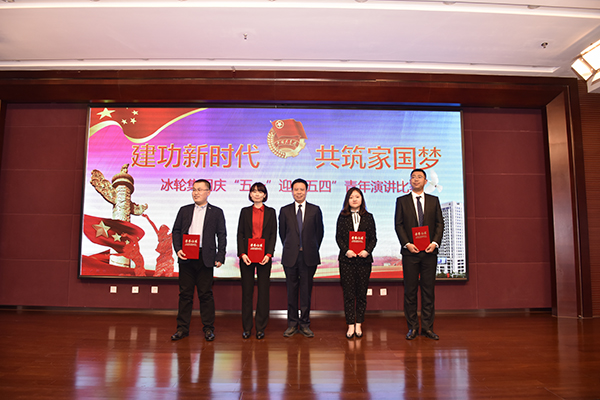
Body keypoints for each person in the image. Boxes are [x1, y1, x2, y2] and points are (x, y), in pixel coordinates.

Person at [170, 179, 227, 342]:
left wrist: (220, 256)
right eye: (194, 189)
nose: (196, 193)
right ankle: (182, 329)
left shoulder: (216, 212)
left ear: (208, 192)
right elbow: (176, 231)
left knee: (205, 294)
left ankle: (208, 328)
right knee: (185, 294)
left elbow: (222, 235)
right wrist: (178, 249)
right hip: (187, 256)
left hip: (206, 257)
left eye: (200, 190)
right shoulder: (184, 210)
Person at [395, 169, 444, 340]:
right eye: (413, 177)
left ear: (425, 181)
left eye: (419, 177)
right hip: (410, 253)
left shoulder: (434, 200)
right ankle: (413, 328)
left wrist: (434, 243)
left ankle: (428, 328)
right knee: (410, 291)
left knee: (428, 291)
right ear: (410, 181)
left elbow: (439, 224)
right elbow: (399, 225)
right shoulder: (401, 201)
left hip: (429, 252)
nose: (416, 179)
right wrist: (407, 244)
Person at [279, 178, 324, 338]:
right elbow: (282, 233)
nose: (299, 192)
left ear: (306, 191)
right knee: (291, 292)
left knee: (306, 292)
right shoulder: (284, 210)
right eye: (296, 189)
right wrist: (292, 247)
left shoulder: (315, 210)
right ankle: (292, 324)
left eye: (301, 189)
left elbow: (319, 233)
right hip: (290, 257)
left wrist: (310, 248)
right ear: (292, 191)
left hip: (308, 257)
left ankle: (304, 324)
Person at [236, 182, 277, 340]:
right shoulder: (245, 211)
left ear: (265, 195)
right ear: (250, 194)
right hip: (247, 257)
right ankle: (247, 328)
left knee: (263, 292)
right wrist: (242, 253)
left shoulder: (271, 212)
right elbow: (240, 233)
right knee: (247, 292)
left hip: (264, 257)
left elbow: (273, 234)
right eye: (254, 191)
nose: (257, 194)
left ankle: (260, 327)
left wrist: (269, 254)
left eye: (260, 191)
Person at [335, 187, 377, 339]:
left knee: (361, 294)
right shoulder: (342, 217)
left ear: (362, 199)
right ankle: (350, 325)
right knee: (348, 294)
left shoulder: (369, 217)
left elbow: (373, 238)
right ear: (347, 200)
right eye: (351, 197)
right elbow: (338, 237)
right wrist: (346, 250)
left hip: (364, 260)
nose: (354, 199)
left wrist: (367, 251)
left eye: (357, 197)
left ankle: (359, 323)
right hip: (347, 260)